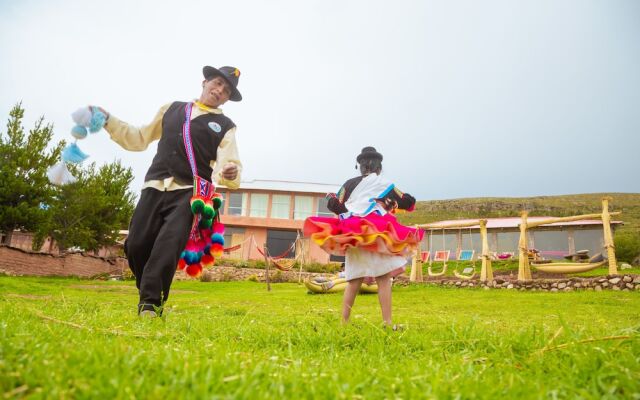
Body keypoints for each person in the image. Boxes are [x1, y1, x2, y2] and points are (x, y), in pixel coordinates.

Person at [98, 65, 243, 317]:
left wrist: (230, 172)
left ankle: (150, 305)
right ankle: (148, 291)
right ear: (204, 82)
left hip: (190, 193)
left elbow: (228, 163)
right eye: (217, 83)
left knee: (167, 247)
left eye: (226, 90)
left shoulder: (226, 125)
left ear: (228, 98)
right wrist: (109, 121)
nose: (219, 90)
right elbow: (139, 138)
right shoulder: (171, 109)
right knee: (136, 245)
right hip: (154, 186)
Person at [303, 147, 423, 327]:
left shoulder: (349, 184)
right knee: (383, 279)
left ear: (360, 166)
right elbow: (408, 201)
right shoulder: (384, 184)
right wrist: (391, 203)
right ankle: (387, 323)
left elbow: (334, 204)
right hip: (377, 234)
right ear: (378, 167)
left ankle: (343, 323)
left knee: (353, 281)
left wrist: (351, 211)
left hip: (354, 235)